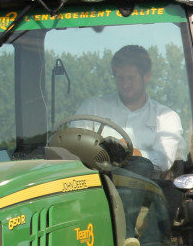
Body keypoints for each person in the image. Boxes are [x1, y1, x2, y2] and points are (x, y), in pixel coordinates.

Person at [76, 44, 185, 175]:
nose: (125, 84)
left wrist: (127, 152)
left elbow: (163, 160)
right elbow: (74, 148)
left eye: (131, 78)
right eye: (120, 78)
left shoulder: (166, 117)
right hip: (97, 187)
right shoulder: (91, 108)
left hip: (148, 189)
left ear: (147, 76)